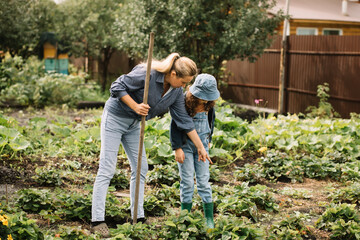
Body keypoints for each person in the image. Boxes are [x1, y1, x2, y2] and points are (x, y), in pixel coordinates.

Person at [91, 53, 211, 237]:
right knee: (107, 168)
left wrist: (201, 147)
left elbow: (184, 121)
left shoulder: (176, 92)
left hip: (133, 125)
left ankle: (136, 216)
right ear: (173, 74)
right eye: (184, 82)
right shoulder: (146, 74)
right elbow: (116, 86)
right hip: (115, 119)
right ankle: (97, 220)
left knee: (141, 168)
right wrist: (135, 106)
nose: (186, 87)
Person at [170, 73, 220, 229]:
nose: (205, 100)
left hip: (202, 148)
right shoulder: (184, 103)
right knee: (187, 182)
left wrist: (209, 140)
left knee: (204, 181)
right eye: (202, 96)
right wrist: (177, 148)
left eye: (208, 97)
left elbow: (211, 122)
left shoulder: (208, 106)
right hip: (185, 146)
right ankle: (185, 215)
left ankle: (209, 218)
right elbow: (175, 127)